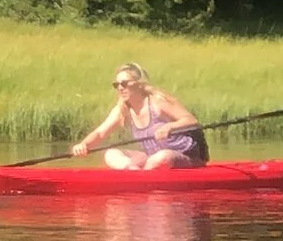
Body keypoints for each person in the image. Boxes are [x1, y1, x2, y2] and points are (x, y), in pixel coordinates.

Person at [71, 62, 208, 169]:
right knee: (111, 154)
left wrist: (170, 127)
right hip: (152, 158)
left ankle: (142, 178)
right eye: (116, 85)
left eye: (124, 84)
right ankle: (133, 174)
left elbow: (191, 120)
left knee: (161, 157)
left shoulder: (158, 102)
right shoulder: (122, 109)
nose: (120, 88)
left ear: (140, 84)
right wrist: (84, 145)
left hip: (186, 156)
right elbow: (101, 133)